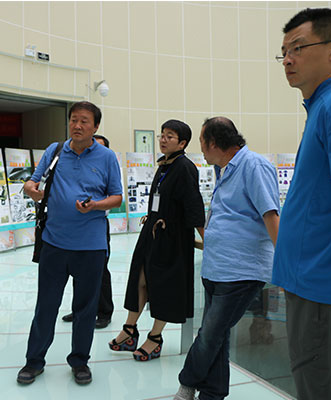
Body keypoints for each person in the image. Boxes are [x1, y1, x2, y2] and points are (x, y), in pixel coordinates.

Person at [272, 8, 331, 400]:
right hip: (312, 286)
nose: (288, 59)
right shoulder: (322, 107)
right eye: (284, 52)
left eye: (299, 48)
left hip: (326, 291)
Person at [173, 117, 280, 400]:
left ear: (213, 143)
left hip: (241, 271)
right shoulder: (223, 170)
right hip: (216, 268)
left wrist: (284, 263)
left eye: (201, 142)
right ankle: (213, 394)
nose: (200, 149)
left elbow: (270, 214)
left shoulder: (254, 166)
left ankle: (187, 384)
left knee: (209, 334)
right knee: (217, 336)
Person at [17, 101, 123, 385]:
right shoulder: (54, 151)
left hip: (91, 246)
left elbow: (117, 197)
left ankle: (80, 361)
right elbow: (32, 182)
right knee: (46, 305)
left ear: (95, 126)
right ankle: (34, 361)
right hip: (54, 243)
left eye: (84, 121)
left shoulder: (107, 157)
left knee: (85, 308)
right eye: (73, 119)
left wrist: (95, 205)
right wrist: (31, 189)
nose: (77, 125)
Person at [109, 120, 204, 362]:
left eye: (169, 136)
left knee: (164, 285)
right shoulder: (164, 165)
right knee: (140, 279)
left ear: (182, 143)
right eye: (162, 135)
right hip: (152, 231)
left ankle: (155, 336)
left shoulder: (185, 167)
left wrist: (206, 238)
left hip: (172, 237)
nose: (163, 139)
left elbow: (193, 206)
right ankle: (130, 329)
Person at [61, 133, 114, 329]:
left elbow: (115, 197)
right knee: (77, 268)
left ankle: (104, 311)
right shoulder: (79, 167)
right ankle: (79, 309)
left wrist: (95, 205)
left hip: (97, 224)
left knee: (100, 270)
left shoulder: (108, 168)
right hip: (76, 225)